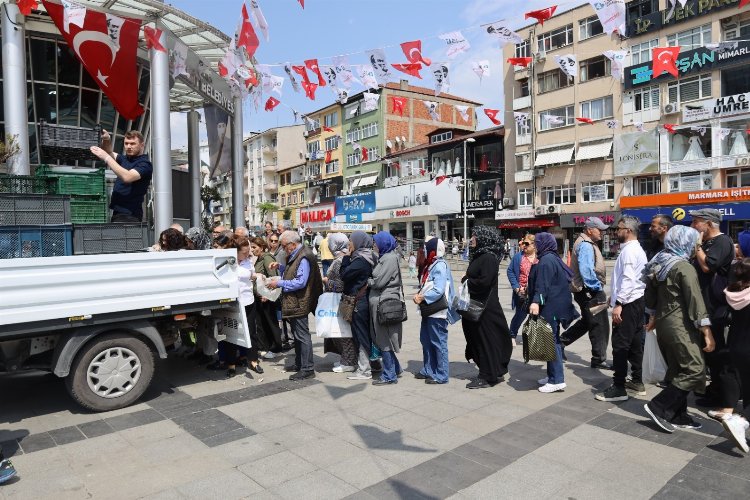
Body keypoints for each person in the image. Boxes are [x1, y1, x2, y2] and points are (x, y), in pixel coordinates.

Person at [643, 226, 715, 432]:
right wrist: (707, 331)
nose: (696, 247)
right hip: (679, 325)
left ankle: (678, 415)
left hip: (664, 324)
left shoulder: (660, 261)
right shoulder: (684, 267)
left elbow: (650, 295)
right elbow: (695, 299)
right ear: (685, 243)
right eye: (695, 243)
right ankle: (658, 406)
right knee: (695, 368)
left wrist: (653, 316)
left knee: (677, 371)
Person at [689, 208, 738, 413]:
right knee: (709, 353)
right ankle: (713, 389)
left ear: (708, 224)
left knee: (718, 353)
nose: (693, 226)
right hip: (704, 305)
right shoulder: (709, 243)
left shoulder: (722, 241)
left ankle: (722, 396)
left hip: (716, 307)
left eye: (697, 222)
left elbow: (709, 266)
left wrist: (698, 245)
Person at [595, 216, 648, 402]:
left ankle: (619, 387)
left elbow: (629, 279)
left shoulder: (630, 252)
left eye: (620, 228)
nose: (617, 232)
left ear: (629, 231)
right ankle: (636, 381)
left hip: (629, 304)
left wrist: (620, 303)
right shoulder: (634, 250)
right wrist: (615, 296)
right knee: (634, 343)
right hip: (635, 301)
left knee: (620, 345)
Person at [528, 233, 580, 393]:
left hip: (550, 307)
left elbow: (543, 284)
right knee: (552, 340)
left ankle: (556, 379)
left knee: (551, 343)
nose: (535, 246)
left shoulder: (546, 261)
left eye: (537, 243)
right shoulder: (551, 257)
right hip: (556, 306)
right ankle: (552, 375)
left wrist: (536, 301)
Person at [267, 231, 323, 380]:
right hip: (297, 302)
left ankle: (307, 368)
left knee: (302, 336)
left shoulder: (304, 256)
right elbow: (294, 273)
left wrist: (278, 283)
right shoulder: (297, 254)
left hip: (301, 301)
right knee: (298, 336)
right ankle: (300, 364)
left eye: (284, 246)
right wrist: (281, 267)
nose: (283, 249)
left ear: (292, 244)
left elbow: (300, 281)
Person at [462, 226, 512, 389]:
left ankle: (488, 376)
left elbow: (484, 282)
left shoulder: (488, 258)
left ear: (484, 238)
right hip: (478, 305)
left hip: (486, 308)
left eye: (475, 236)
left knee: (487, 340)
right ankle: (490, 370)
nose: (472, 239)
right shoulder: (480, 256)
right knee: (480, 339)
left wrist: (468, 281)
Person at [561, 217, 612, 370]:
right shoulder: (585, 245)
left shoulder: (586, 242)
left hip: (585, 290)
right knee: (599, 325)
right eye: (599, 229)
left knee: (588, 322)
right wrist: (596, 288)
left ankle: (561, 342)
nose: (602, 233)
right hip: (589, 291)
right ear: (590, 230)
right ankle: (599, 358)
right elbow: (586, 271)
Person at [414, 238, 459, 385]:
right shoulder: (432, 264)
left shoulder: (440, 265)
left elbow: (439, 290)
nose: (425, 251)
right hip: (429, 310)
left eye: (427, 248)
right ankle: (429, 369)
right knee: (426, 340)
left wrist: (422, 297)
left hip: (437, 311)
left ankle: (441, 374)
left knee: (438, 342)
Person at [90, 130, 153, 223]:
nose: (129, 147)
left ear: (142, 145)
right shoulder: (124, 159)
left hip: (130, 215)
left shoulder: (145, 164)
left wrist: (106, 158)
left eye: (132, 144)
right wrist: (107, 139)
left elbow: (127, 177)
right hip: (118, 213)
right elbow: (108, 152)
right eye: (126, 143)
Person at [722, 255, 750, 452]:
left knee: (748, 390)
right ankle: (740, 421)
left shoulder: (736, 292)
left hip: (737, 347)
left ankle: (742, 422)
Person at [340, 231, 377, 381]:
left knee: (360, 334)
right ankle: (373, 365)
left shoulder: (360, 260)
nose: (349, 244)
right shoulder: (369, 256)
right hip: (363, 300)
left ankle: (364, 370)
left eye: (351, 241)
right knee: (365, 333)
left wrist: (346, 258)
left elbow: (344, 275)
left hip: (359, 302)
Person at [369, 231, 404, 385]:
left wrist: (369, 281)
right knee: (384, 338)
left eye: (376, 242)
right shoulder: (385, 257)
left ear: (383, 243)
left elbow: (378, 282)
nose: (374, 245)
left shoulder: (388, 259)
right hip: (382, 301)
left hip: (384, 303)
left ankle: (389, 375)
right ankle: (395, 368)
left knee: (384, 339)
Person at [322, 233, 358, 373]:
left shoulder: (339, 261)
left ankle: (348, 362)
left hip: (340, 302)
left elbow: (341, 285)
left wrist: (327, 282)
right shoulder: (344, 257)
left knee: (343, 333)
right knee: (342, 332)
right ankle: (347, 359)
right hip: (342, 301)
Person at [250, 237, 282, 358]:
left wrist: (267, 295)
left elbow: (273, 277)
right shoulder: (259, 259)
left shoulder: (266, 257)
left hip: (266, 297)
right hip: (259, 296)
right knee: (262, 323)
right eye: (251, 247)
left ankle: (276, 348)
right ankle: (266, 347)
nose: (252, 250)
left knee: (271, 323)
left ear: (262, 247)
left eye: (254, 247)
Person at [507, 234, 537, 345]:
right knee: (520, 315)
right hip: (521, 292)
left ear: (534, 245)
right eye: (523, 243)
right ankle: (512, 334)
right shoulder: (518, 256)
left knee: (536, 315)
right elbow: (510, 271)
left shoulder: (540, 257)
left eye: (527, 243)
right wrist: (516, 287)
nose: (524, 245)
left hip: (536, 292)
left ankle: (532, 337)